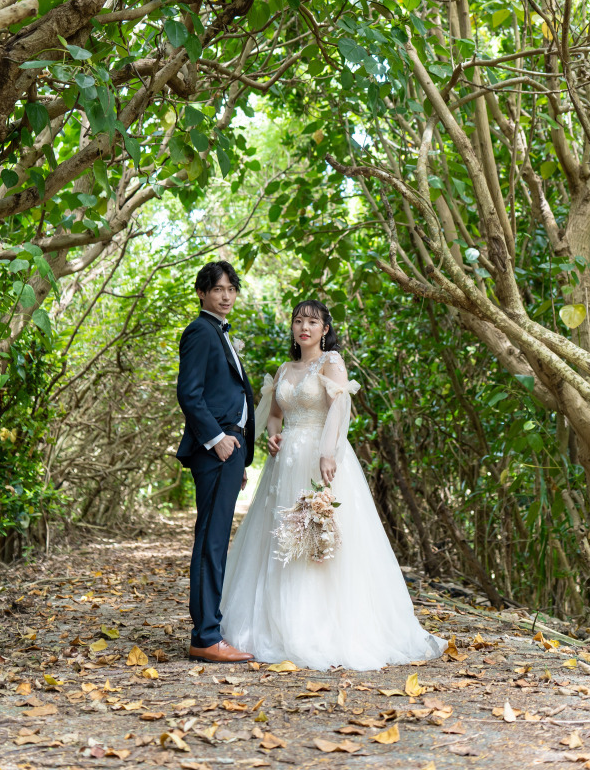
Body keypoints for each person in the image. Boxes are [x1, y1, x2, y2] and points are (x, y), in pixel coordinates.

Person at [220, 299, 446, 670]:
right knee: (281, 538)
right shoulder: (284, 368)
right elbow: (275, 415)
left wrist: (328, 453)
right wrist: (273, 437)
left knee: (323, 537)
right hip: (285, 463)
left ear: (325, 329)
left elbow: (339, 410)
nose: (303, 327)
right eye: (298, 321)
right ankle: (277, 624)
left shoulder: (331, 362)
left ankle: (323, 627)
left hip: (321, 459)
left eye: (312, 321)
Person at [176, 260, 255, 664]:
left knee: (216, 542)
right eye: (218, 289)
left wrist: (238, 454)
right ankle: (206, 637)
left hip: (229, 452)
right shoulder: (200, 331)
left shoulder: (220, 334)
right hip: (216, 447)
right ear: (202, 293)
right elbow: (189, 394)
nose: (225, 296)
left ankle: (209, 631)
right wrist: (217, 439)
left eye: (231, 289)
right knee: (210, 542)